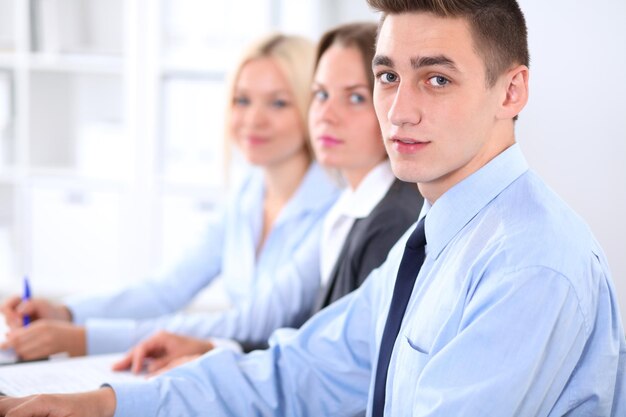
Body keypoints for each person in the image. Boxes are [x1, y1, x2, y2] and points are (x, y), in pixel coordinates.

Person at [1, 0, 625, 416]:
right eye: (387, 77)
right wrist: (107, 403)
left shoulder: (529, 264)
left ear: (510, 90)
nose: (400, 110)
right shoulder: (438, 236)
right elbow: (297, 370)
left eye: (436, 79)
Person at [109, 22, 423, 375]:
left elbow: (341, 370)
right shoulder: (347, 206)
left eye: (354, 98)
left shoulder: (392, 218)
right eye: (319, 95)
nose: (326, 114)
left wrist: (217, 364)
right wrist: (214, 349)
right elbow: (315, 345)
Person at [0, 33, 339, 360]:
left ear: (313, 107)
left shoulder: (334, 207)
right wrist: (67, 313)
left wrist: (85, 338)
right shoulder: (249, 194)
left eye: (278, 103)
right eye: (242, 100)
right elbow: (166, 288)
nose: (253, 119)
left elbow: (251, 323)